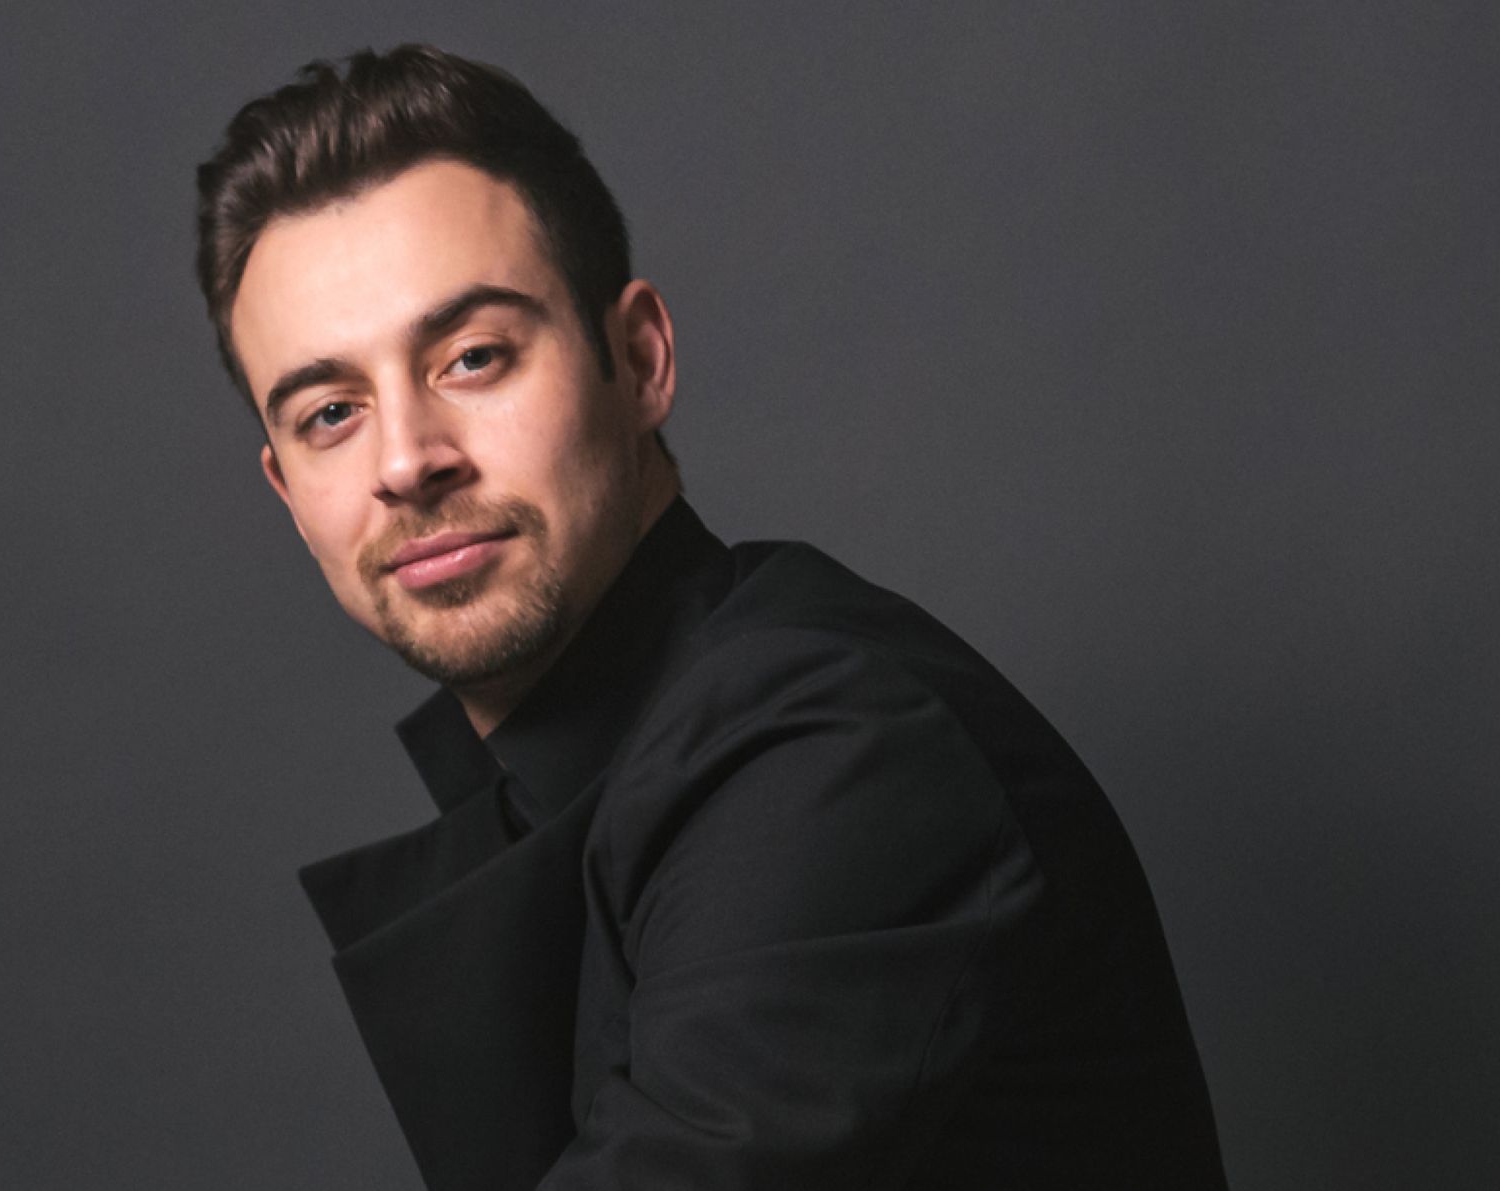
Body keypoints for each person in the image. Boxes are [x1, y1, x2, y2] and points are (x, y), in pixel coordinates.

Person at [193, 44, 1228, 1191]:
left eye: (474, 357)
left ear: (636, 362)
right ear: (289, 493)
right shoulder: (608, 768)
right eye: (332, 413)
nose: (405, 460)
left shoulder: (829, 747)